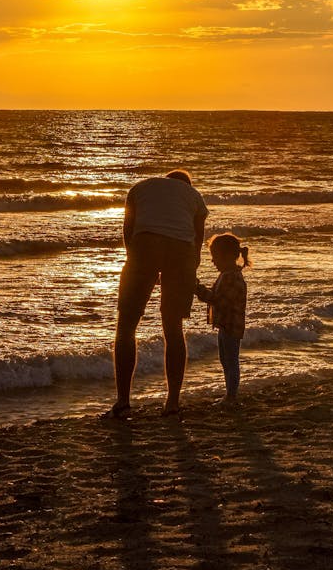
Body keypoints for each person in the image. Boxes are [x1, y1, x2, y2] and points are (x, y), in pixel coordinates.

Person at [105, 169, 208, 419]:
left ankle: (123, 401)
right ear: (186, 184)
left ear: (166, 179)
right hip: (181, 250)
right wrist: (187, 273)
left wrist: (137, 264)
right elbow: (197, 242)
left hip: (144, 244)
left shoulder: (140, 188)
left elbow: (128, 232)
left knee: (126, 326)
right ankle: (172, 403)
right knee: (173, 327)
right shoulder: (194, 195)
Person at [194, 233, 250, 406]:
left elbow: (217, 300)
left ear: (226, 256)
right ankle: (229, 394)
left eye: (215, 257)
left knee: (231, 361)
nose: (213, 261)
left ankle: (231, 397)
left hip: (231, 325)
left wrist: (197, 289)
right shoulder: (227, 274)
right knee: (226, 359)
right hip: (226, 325)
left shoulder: (230, 277)